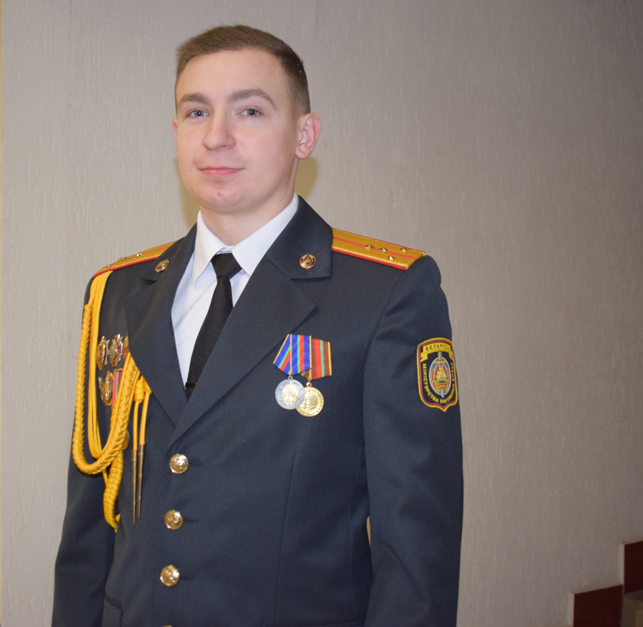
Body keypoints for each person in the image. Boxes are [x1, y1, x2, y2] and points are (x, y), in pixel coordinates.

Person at [53, 24, 462, 627]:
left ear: (304, 135)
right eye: (196, 112)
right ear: (176, 132)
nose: (216, 136)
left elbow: (416, 555)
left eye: (249, 110)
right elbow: (90, 525)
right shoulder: (117, 292)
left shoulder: (384, 295)